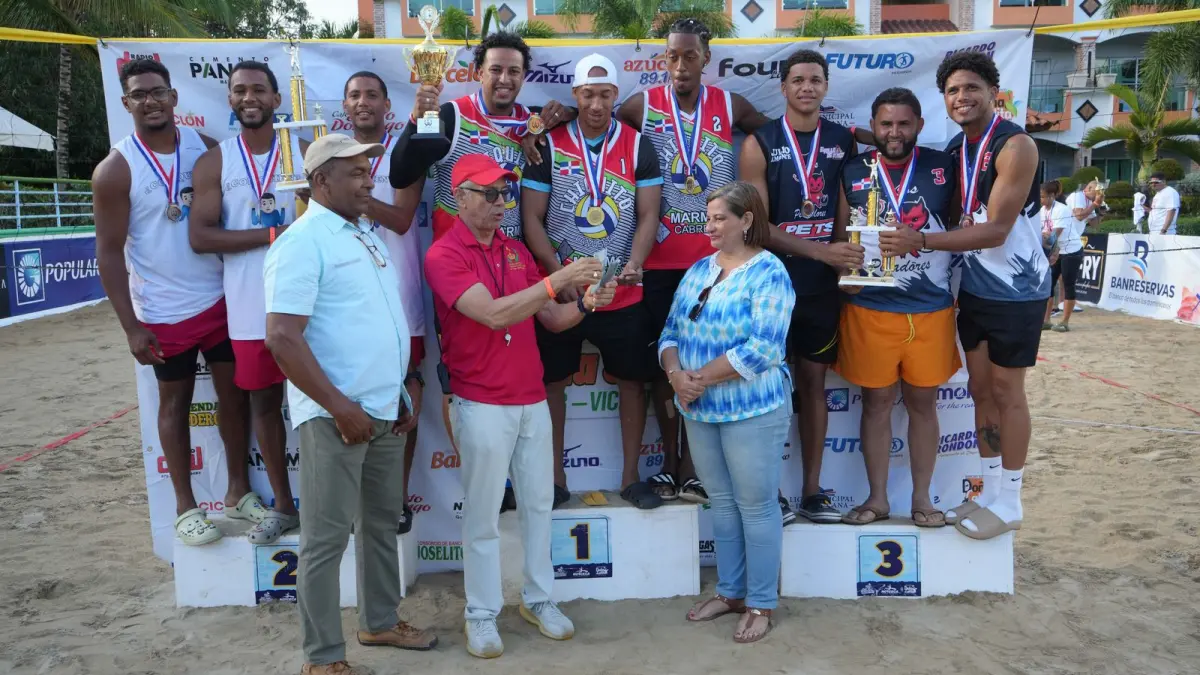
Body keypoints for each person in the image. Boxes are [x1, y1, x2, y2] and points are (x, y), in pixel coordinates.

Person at [424, 154, 616, 658]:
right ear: (459, 197)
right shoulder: (443, 254)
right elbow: (491, 314)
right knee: (483, 515)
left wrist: (586, 302)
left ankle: (538, 598)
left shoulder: (514, 250)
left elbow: (552, 319)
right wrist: (556, 280)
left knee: (538, 506)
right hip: (479, 399)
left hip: (531, 397)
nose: (500, 203)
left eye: (505, 193)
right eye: (488, 193)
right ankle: (480, 612)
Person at [263, 134, 438, 675]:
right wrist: (338, 406)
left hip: (382, 407)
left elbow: (375, 320)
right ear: (321, 181)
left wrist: (401, 387)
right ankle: (322, 658)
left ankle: (379, 621)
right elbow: (282, 337)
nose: (368, 181)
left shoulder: (364, 233)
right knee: (326, 538)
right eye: (356, 173)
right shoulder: (301, 242)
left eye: (369, 171)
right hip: (335, 417)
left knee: (380, 524)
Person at [880, 52, 1047, 541]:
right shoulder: (958, 146)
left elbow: (995, 230)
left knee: (1007, 392)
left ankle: (1011, 500)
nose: (962, 97)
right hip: (974, 286)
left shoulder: (1016, 145)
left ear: (993, 92)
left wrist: (920, 240)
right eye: (953, 90)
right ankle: (989, 491)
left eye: (972, 87)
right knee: (980, 390)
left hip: (1017, 291)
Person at [603, 18, 770, 504]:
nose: (680, 65)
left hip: (717, 262)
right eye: (672, 56)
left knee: (706, 361)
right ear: (664, 59)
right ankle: (668, 465)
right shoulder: (641, 105)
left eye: (690, 56)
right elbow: (597, 126)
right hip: (658, 262)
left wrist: (852, 133)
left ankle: (694, 468)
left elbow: (779, 134)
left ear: (705, 58)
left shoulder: (731, 105)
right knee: (665, 365)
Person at [93, 58, 253, 546]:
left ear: (174, 97)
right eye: (140, 95)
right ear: (126, 103)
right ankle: (185, 507)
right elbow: (108, 254)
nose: (151, 101)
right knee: (175, 404)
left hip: (219, 299)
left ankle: (238, 491)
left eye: (158, 92)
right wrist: (131, 327)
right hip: (163, 311)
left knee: (234, 397)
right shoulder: (114, 170)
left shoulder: (205, 148)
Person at [521, 54, 665, 510]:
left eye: (605, 95)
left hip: (622, 290)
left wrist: (635, 263)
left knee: (632, 381)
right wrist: (557, 275)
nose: (597, 104)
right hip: (564, 290)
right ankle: (555, 479)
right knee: (552, 383)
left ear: (616, 95)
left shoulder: (638, 144)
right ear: (575, 95)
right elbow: (531, 218)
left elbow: (649, 213)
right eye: (588, 95)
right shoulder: (549, 144)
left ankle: (630, 479)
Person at [660, 181, 795, 644]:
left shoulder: (770, 272)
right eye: (708, 218)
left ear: (746, 220)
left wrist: (696, 379)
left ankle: (761, 602)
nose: (710, 226)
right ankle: (731, 591)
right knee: (720, 502)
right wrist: (676, 374)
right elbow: (670, 332)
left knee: (756, 506)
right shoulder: (699, 269)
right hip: (699, 408)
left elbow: (764, 348)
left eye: (720, 218)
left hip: (752, 409)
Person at [740, 48, 865, 525]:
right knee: (767, 385)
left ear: (826, 86)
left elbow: (847, 212)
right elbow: (757, 226)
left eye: (815, 80)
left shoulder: (843, 140)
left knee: (814, 384)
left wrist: (845, 265)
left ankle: (813, 491)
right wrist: (821, 253)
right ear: (783, 87)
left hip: (821, 287)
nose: (807, 87)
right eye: (798, 80)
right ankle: (768, 492)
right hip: (773, 282)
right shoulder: (759, 142)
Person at [834, 88, 960, 528]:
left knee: (924, 404)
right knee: (877, 404)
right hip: (870, 307)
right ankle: (877, 499)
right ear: (874, 126)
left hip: (931, 307)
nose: (894, 132)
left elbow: (960, 228)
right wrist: (846, 275)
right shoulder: (853, 169)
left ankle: (923, 499)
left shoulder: (944, 166)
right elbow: (841, 237)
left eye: (904, 123)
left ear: (919, 125)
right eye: (886, 124)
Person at [189, 60, 299, 544]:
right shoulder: (215, 161)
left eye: (258, 89)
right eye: (239, 90)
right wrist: (273, 234)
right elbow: (200, 237)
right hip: (251, 306)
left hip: (311, 306)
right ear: (230, 99)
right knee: (265, 405)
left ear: (276, 99)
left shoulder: (304, 151)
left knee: (326, 404)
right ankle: (285, 505)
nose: (248, 97)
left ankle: (336, 503)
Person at [390, 31, 575, 243]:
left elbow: (584, 120)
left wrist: (565, 112)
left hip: (513, 256)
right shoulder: (452, 116)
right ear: (479, 73)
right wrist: (415, 120)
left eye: (513, 71)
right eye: (495, 70)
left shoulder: (532, 122)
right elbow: (400, 176)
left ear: (523, 76)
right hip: (458, 255)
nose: (504, 79)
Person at [342, 70, 427, 534]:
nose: (363, 102)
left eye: (372, 95)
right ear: (344, 105)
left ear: (386, 105)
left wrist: (351, 195)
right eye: (355, 95)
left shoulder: (404, 151)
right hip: (348, 299)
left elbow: (401, 219)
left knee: (404, 400)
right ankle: (360, 502)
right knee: (352, 398)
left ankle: (397, 498)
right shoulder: (333, 154)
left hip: (400, 295)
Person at [1052, 180, 1100, 332]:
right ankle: (1057, 306)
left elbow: (1095, 224)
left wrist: (1100, 209)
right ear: (1088, 188)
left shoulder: (1090, 202)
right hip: (1063, 239)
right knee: (1056, 277)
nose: (1098, 194)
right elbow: (1079, 215)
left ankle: (1061, 305)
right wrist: (1095, 204)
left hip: (1072, 241)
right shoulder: (1078, 196)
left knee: (1065, 278)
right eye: (1097, 191)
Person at [1038, 180, 1074, 331]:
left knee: (1068, 284)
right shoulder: (1042, 210)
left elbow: (1053, 236)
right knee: (1049, 284)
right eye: (1040, 196)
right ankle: (1046, 320)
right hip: (1055, 251)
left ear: (1052, 196)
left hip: (1071, 250)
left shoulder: (1062, 209)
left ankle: (1065, 322)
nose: (1041, 200)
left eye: (1043, 196)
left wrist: (1046, 241)